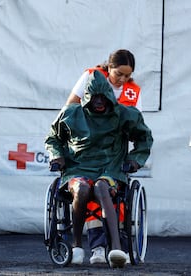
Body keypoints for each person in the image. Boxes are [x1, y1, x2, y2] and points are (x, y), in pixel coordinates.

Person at [44, 70, 153, 268]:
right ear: (87, 98)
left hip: (110, 169)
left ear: (110, 96)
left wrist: (135, 160)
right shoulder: (71, 113)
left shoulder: (124, 114)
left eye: (103, 97)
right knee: (82, 188)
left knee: (102, 187)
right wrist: (57, 157)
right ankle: (77, 246)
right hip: (78, 168)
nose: (100, 101)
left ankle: (116, 249)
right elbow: (53, 138)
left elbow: (144, 138)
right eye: (95, 97)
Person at [66, 49, 142, 264]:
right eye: (119, 74)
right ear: (109, 68)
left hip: (113, 151)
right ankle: (96, 247)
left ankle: (116, 249)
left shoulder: (132, 91)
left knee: (108, 189)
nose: (123, 79)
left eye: (128, 75)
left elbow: (137, 125)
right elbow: (69, 107)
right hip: (88, 147)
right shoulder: (91, 76)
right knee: (86, 189)